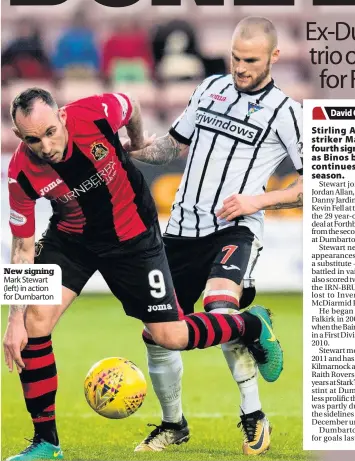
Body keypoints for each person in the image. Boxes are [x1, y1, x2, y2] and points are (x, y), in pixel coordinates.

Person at [3, 87, 283, 461]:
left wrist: (134, 141)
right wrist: (14, 319)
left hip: (132, 237)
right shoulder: (20, 173)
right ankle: (46, 443)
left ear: (63, 117)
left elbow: (132, 104)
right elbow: (22, 249)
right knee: (32, 327)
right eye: (33, 139)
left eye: (51, 131)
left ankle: (250, 326)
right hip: (72, 239)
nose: (46, 145)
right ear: (20, 138)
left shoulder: (95, 113)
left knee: (170, 335)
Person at [130, 16, 303, 456]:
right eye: (235, 57)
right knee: (156, 333)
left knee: (219, 306)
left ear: (274, 57)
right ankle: (174, 425)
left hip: (235, 226)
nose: (240, 67)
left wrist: (255, 202)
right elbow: (172, 145)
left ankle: (253, 415)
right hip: (182, 229)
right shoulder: (210, 88)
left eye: (250, 60)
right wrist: (124, 146)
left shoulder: (286, 112)